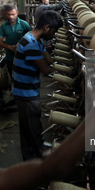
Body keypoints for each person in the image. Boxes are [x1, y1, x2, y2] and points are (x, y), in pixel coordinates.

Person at [12, 10, 62, 161]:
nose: (54, 35)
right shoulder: (30, 45)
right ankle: (39, 162)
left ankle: (29, 159)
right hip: (26, 94)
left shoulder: (35, 40)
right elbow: (46, 70)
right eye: (54, 31)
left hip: (24, 91)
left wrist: (59, 65)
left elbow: (49, 61)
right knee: (34, 129)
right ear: (46, 27)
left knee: (27, 128)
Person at [0, 4, 31, 77]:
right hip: (10, 56)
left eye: (13, 14)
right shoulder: (3, 26)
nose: (11, 17)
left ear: (17, 13)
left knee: (23, 75)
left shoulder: (24, 24)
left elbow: (32, 38)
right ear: (5, 14)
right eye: (8, 14)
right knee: (12, 75)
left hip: (23, 56)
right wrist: (10, 47)